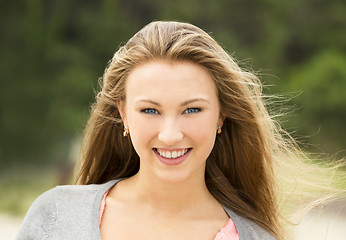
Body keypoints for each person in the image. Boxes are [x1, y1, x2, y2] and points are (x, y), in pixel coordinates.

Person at [16, 21, 286, 240]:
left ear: (221, 115)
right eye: (150, 110)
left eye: (192, 110)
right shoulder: (56, 216)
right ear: (123, 113)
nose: (170, 135)